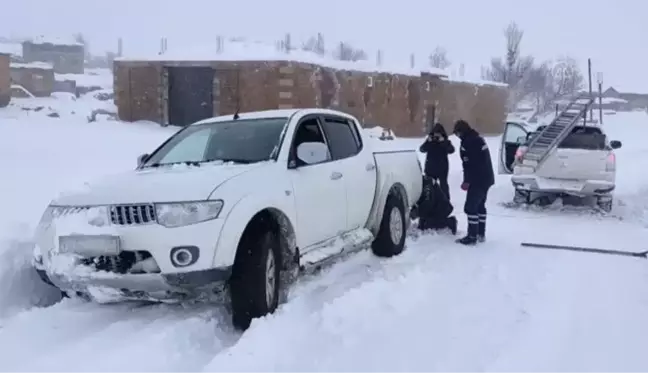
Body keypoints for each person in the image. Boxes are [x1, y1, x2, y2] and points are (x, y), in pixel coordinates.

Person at [452, 119, 495, 245]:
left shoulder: (467, 143)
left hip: (478, 180)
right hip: (487, 178)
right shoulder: (478, 138)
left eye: (457, 133)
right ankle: (481, 233)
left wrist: (467, 181)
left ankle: (472, 236)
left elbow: (469, 164)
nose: (457, 136)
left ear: (461, 132)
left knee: (470, 208)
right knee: (480, 206)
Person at [419, 123, 454, 200]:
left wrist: (443, 142)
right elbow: (422, 149)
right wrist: (428, 141)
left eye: (438, 135)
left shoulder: (446, 141)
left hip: (442, 167)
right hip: (430, 166)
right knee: (429, 184)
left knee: (443, 184)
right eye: (435, 135)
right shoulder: (430, 141)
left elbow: (451, 150)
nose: (436, 137)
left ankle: (445, 199)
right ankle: (430, 198)